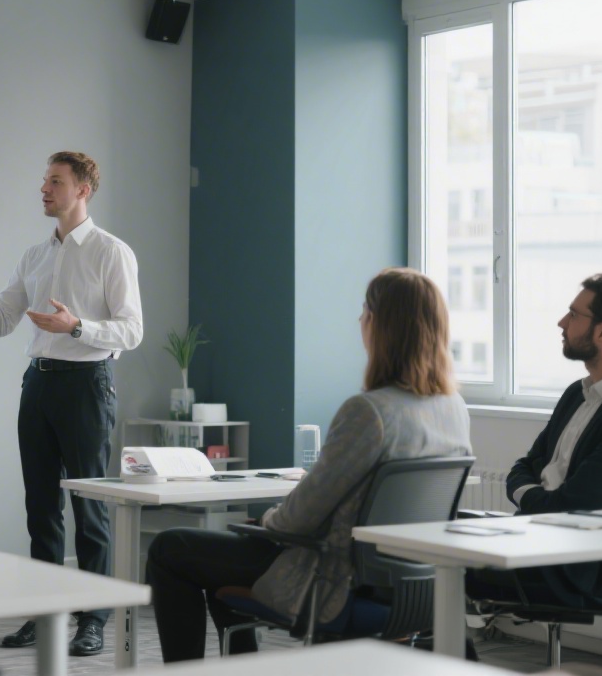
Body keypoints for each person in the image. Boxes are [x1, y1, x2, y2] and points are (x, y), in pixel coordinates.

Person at [147, 267, 472, 662]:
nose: (359, 321)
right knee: (220, 567)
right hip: (415, 587)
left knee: (169, 548)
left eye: (365, 311)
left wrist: (267, 523)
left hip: (334, 577)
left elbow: (300, 516)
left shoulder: (369, 412)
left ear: (381, 325)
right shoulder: (453, 408)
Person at [0, 151, 143, 656]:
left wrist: (78, 327)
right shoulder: (35, 256)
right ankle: (46, 613)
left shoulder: (112, 253)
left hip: (87, 384)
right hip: (39, 385)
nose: (44, 189)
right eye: (44, 180)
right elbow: (2, 320)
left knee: (89, 507)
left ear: (83, 189)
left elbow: (132, 330)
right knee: (40, 508)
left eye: (55, 181)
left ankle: (92, 619)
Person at [470, 273, 602, 610]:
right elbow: (525, 466)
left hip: (575, 565)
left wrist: (524, 494)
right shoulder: (577, 394)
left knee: (439, 566)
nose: (562, 322)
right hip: (534, 536)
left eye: (574, 315)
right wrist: (530, 494)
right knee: (445, 539)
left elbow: (571, 507)